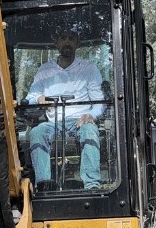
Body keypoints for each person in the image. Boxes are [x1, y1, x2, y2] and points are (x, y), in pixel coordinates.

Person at [23, 26, 105, 190]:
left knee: (90, 130)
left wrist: (91, 115)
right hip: (53, 123)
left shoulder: (89, 69)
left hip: (80, 121)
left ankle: (92, 185)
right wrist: (39, 98)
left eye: (71, 38)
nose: (67, 41)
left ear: (78, 43)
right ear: (56, 43)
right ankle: (44, 184)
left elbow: (99, 102)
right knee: (36, 132)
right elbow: (30, 97)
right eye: (63, 38)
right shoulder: (44, 70)